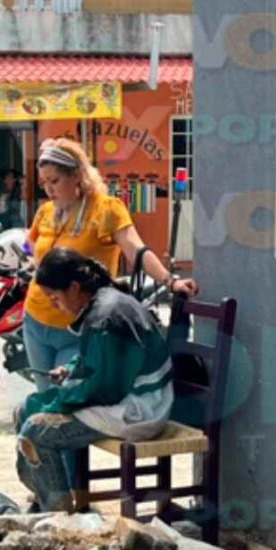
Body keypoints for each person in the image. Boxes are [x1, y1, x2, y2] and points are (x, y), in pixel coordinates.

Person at [24, 138, 198, 389]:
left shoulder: (105, 209)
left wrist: (170, 281)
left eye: (55, 181)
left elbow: (135, 248)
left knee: (65, 395)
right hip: (35, 320)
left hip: (80, 326)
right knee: (44, 394)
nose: (49, 189)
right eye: (44, 183)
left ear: (77, 176)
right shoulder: (46, 211)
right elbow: (31, 244)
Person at [16, 247, 173, 513]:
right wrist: (70, 370)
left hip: (138, 408)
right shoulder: (102, 305)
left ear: (75, 287)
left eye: (54, 297)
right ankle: (47, 498)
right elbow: (96, 361)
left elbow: (105, 387)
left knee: (36, 432)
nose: (55, 305)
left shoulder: (106, 316)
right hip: (122, 396)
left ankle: (58, 515)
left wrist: (62, 396)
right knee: (24, 409)